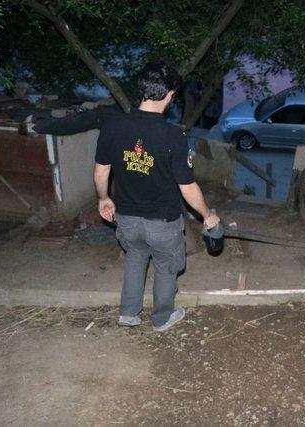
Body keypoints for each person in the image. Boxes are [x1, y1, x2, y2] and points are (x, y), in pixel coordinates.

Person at [93, 62, 220, 332]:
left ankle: (128, 313)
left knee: (136, 257)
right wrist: (208, 216)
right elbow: (187, 187)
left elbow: (102, 169)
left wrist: (103, 198)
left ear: (142, 89)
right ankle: (162, 318)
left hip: (126, 217)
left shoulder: (112, 125)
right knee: (165, 266)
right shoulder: (173, 135)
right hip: (162, 221)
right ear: (170, 95)